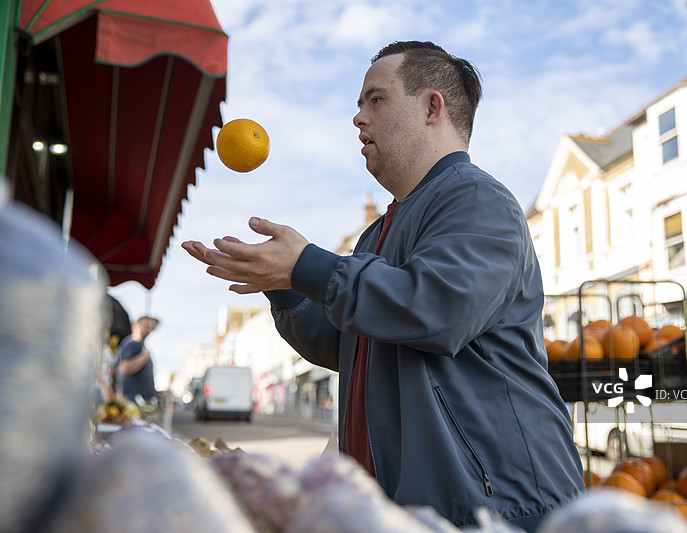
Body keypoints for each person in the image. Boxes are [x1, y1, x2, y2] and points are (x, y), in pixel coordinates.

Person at [182, 41, 584, 530]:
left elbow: (436, 310)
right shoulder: (379, 232)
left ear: (432, 107)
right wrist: (282, 283)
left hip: (494, 509)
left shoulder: (477, 198)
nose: (357, 117)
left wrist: (305, 266)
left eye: (375, 99)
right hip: (420, 511)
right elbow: (346, 342)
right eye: (359, 103)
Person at [116, 316, 159, 403]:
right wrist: (144, 357)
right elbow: (125, 368)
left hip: (143, 401)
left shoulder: (141, 346)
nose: (149, 328)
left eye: (151, 326)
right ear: (134, 326)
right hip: (134, 402)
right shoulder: (131, 344)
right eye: (145, 325)